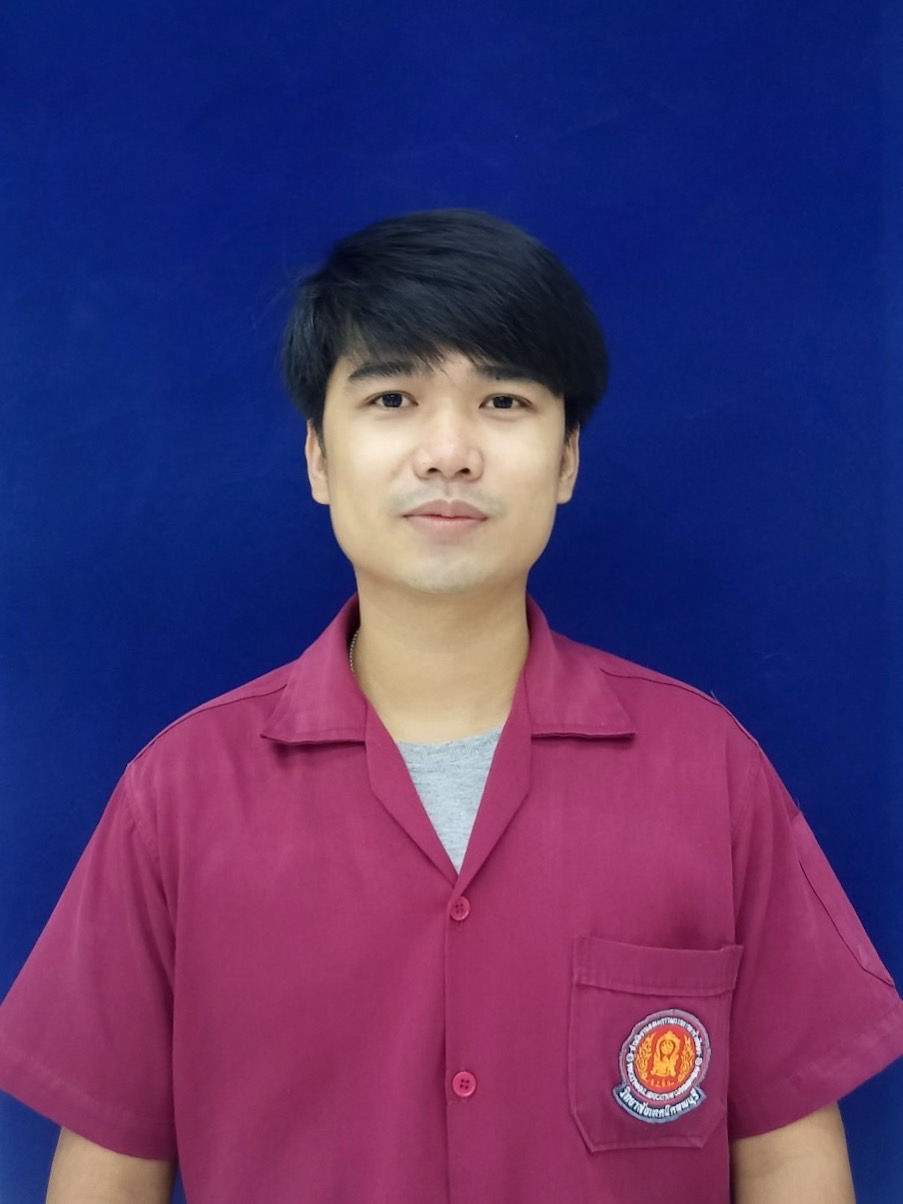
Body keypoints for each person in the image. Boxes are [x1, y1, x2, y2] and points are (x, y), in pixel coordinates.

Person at [0, 209, 901, 1204]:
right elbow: (109, 1174)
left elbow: (784, 1156)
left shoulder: (706, 770)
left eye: (503, 401)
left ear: (566, 459)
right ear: (318, 457)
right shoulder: (178, 795)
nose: (448, 452)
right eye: (393, 397)